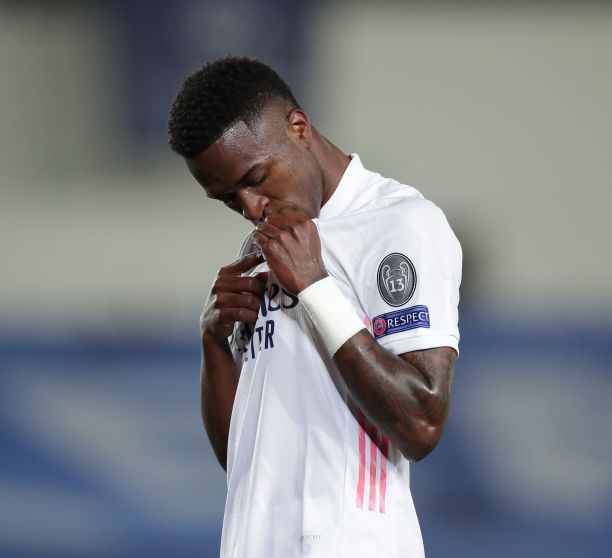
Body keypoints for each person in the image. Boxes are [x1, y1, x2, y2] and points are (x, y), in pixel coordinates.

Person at [167, 56, 462, 558]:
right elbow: (245, 461)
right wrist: (214, 344)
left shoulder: (398, 226)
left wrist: (316, 289)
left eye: (256, 176)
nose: (252, 206)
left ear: (298, 127)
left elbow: (421, 423)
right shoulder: (261, 251)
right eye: (228, 199)